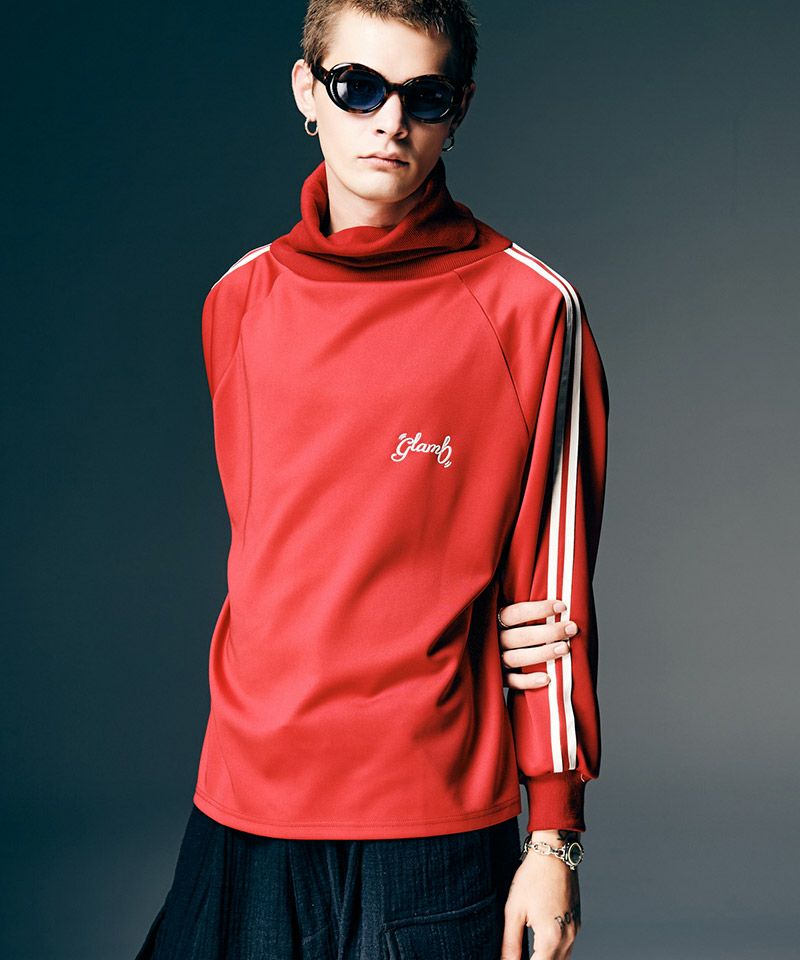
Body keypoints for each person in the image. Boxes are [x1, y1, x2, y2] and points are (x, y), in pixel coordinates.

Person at [133, 1, 609, 958]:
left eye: (423, 97)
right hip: (244, 803)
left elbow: (551, 590)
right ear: (307, 92)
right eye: (358, 88)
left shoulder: (528, 309)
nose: (390, 122)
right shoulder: (238, 302)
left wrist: (554, 837)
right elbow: (278, 560)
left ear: (457, 111)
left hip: (430, 823)